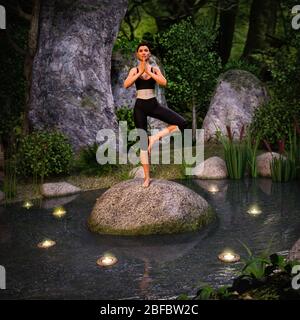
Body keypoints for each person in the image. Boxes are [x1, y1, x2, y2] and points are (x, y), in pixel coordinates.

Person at [123, 42, 187, 188]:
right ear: (137, 54)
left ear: (149, 53)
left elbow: (163, 82)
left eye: (146, 50)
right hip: (140, 107)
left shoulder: (155, 69)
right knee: (144, 144)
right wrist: (140, 71)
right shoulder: (133, 70)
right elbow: (126, 84)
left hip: (153, 105)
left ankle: (155, 137)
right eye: (141, 51)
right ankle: (146, 178)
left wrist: (149, 71)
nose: (144, 52)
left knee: (182, 123)